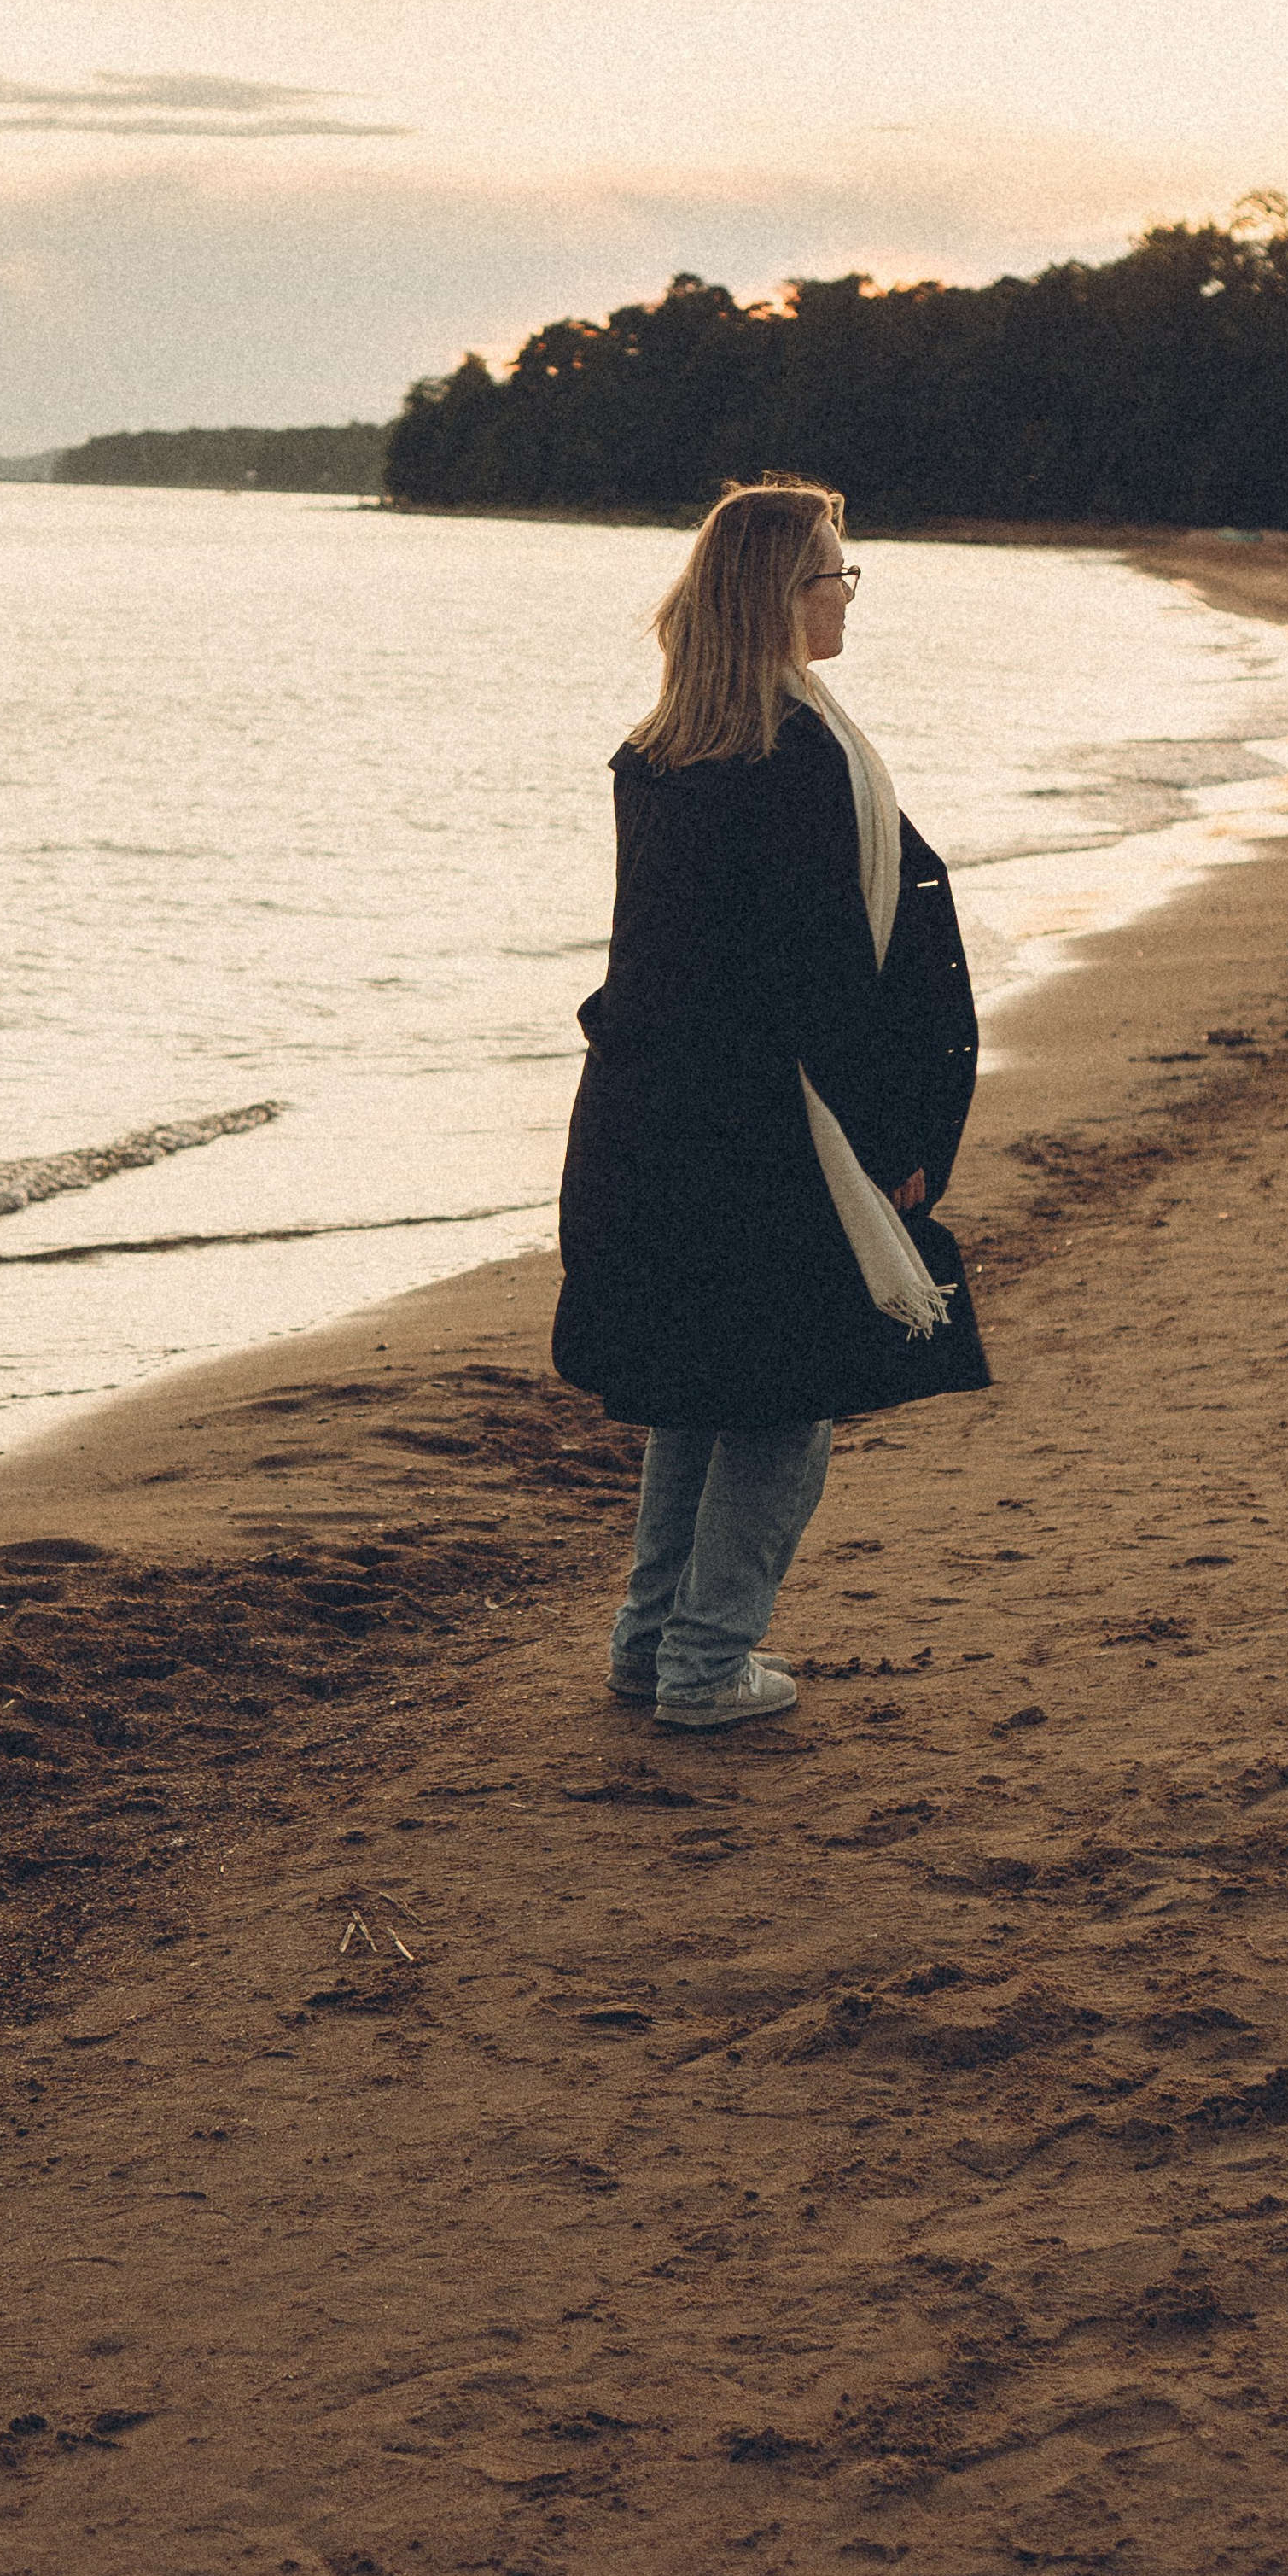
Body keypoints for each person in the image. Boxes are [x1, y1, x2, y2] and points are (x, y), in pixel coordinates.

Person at [552, 476, 989, 1731]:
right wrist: (894, 1139)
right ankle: (705, 1663)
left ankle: (651, 1650)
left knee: (703, 1393)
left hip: (651, 1111)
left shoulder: (665, 749)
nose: (846, 595)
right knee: (785, 1405)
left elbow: (662, 960)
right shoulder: (792, 758)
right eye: (831, 576)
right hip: (763, 1127)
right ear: (775, 597)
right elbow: (824, 984)